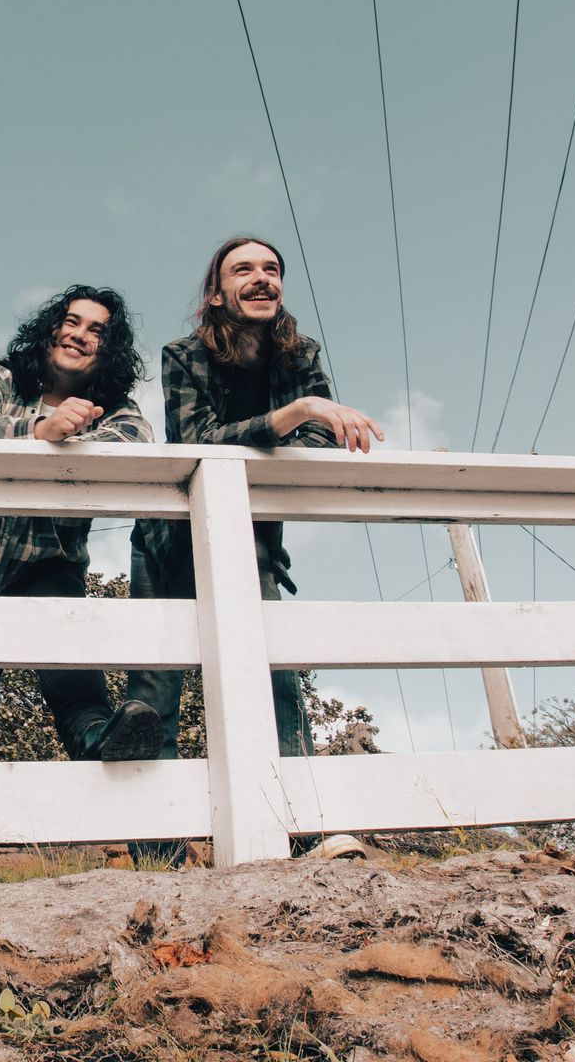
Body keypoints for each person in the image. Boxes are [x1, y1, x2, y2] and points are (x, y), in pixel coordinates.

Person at [130, 235, 382, 765]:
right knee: (156, 683)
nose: (261, 277)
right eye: (242, 269)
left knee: (275, 674)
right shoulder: (184, 354)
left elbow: (323, 439)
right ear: (217, 294)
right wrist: (296, 413)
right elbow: (196, 437)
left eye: (271, 268)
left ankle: (300, 832)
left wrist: (298, 420)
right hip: (168, 536)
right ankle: (159, 844)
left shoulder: (300, 356)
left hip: (252, 535)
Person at [0, 285, 163, 764]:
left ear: (109, 349)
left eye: (96, 330)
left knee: (75, 678)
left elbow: (128, 446)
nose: (80, 335)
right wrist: (42, 432)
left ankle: (97, 738)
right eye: (72, 322)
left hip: (48, 564)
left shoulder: (117, 409)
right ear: (50, 331)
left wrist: (74, 436)